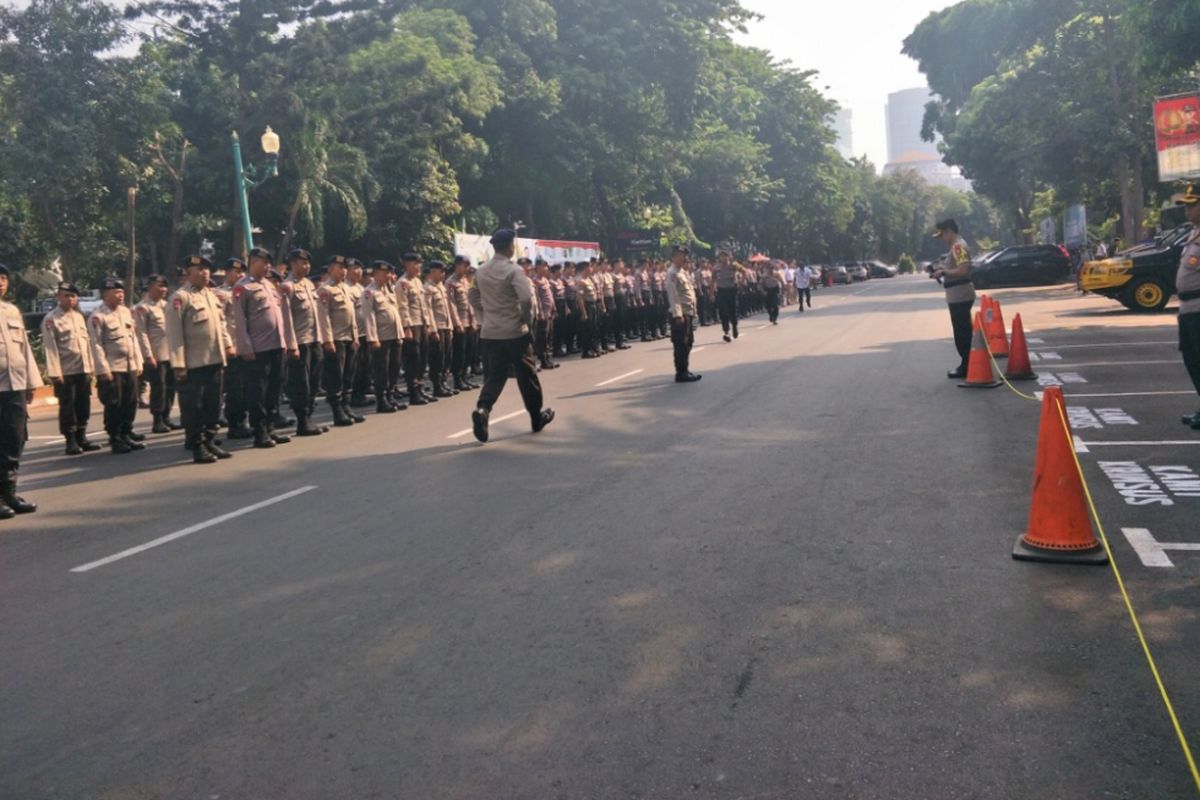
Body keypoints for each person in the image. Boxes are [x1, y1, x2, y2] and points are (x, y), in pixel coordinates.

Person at [468, 229, 555, 443]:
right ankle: (536, 417)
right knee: (527, 375)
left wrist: (484, 316)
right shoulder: (514, 271)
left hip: (490, 333)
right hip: (514, 332)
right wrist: (526, 321)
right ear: (509, 247)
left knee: (495, 375)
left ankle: (483, 409)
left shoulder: (481, 271)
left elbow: (472, 295)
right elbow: (526, 299)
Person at [166, 255, 235, 464]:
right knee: (193, 407)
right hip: (193, 364)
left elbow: (220, 325)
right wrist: (179, 365)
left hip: (214, 359)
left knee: (213, 404)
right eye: (199, 269)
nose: (204, 272)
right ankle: (197, 445)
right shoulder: (180, 298)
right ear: (188, 272)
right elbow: (174, 333)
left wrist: (228, 345)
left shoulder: (211, 296)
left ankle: (210, 440)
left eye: (207, 269)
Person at [232, 247, 298, 448]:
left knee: (274, 389)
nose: (268, 266)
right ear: (252, 262)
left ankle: (270, 427)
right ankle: (260, 431)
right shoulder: (242, 288)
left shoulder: (270, 286)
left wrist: (286, 342)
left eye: (269, 263)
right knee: (257, 392)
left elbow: (280, 317)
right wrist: (246, 348)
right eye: (264, 262)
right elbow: (239, 321)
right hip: (257, 350)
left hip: (276, 346)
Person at [0, 263, 42, 517]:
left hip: (14, 386)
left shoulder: (12, 311)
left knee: (14, 440)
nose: (0, 282)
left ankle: (9, 493)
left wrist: (30, 382)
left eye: (3, 278)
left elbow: (25, 349)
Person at [42, 281, 101, 455]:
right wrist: (55, 373)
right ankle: (71, 441)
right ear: (58, 297)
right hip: (65, 371)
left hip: (82, 369)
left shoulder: (78, 317)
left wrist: (91, 367)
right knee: (68, 408)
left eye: (73, 296)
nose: (70, 299)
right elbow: (50, 347)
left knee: (83, 405)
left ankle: (82, 437)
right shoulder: (51, 319)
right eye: (66, 295)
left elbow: (86, 344)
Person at [88, 277, 145, 454]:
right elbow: (96, 345)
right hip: (113, 368)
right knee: (115, 404)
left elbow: (133, 339)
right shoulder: (98, 317)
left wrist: (138, 361)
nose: (120, 295)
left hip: (129, 366)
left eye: (122, 292)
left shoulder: (126, 312)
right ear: (105, 294)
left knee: (130, 401)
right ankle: (115, 437)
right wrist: (103, 369)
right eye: (116, 292)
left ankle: (126, 433)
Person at [278, 248, 328, 437]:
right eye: (302, 263)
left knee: (314, 382)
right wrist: (291, 345)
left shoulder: (309, 284)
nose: (306, 266)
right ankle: (302, 420)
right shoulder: (287, 287)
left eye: (308, 263)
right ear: (292, 264)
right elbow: (286, 318)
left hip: (314, 339)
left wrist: (322, 338)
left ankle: (310, 417)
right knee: (301, 383)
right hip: (299, 342)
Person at [316, 255, 365, 426]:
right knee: (335, 376)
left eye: (345, 267)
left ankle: (346, 406)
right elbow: (324, 318)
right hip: (336, 339)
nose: (343, 270)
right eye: (339, 267)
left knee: (348, 375)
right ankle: (337, 410)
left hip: (349, 338)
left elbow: (352, 316)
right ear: (330, 269)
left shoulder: (345, 288)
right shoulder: (325, 290)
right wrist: (328, 340)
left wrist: (356, 336)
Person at [931, 219, 976, 379]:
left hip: (960, 294)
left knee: (962, 332)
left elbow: (963, 269)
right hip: (958, 294)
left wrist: (944, 272)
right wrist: (943, 269)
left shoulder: (958, 246)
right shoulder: (956, 246)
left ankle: (966, 365)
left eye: (942, 234)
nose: (942, 239)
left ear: (949, 231)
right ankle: (968, 363)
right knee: (963, 330)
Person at [134, 274, 179, 433]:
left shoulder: (167, 305)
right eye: (160, 286)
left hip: (170, 354)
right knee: (159, 387)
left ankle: (167, 417)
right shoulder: (143, 307)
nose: (163, 290)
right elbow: (142, 333)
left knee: (170, 387)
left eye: (165, 286)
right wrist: (148, 355)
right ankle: (157, 419)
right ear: (151, 286)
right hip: (156, 354)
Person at [215, 257, 251, 438]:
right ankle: (234, 424)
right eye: (236, 271)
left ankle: (242, 421)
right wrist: (229, 345)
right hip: (232, 348)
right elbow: (220, 323)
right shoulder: (219, 294)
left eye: (242, 272)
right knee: (235, 389)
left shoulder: (245, 291)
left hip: (246, 346)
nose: (240, 275)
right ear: (227, 272)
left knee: (245, 387)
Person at [363, 260, 406, 412]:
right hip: (381, 337)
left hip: (395, 335)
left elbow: (396, 312)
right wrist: (373, 338)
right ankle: (381, 400)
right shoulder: (369, 292)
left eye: (389, 273)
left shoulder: (389, 290)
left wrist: (400, 333)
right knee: (381, 370)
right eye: (384, 273)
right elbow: (369, 316)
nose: (387, 276)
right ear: (375, 274)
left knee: (394, 367)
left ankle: (390, 396)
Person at [1173, 186, 1200, 431]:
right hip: (1188, 309)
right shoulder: (1194, 234)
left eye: (1192, 205)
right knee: (1192, 359)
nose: (1187, 210)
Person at [398, 253, 435, 405]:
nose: (419, 266)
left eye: (420, 263)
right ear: (407, 265)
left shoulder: (418, 282)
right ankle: (413, 391)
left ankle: (420, 387)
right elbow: (403, 306)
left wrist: (427, 323)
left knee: (422, 357)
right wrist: (407, 327)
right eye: (415, 263)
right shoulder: (402, 283)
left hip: (421, 323)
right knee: (413, 358)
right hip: (412, 325)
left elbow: (424, 305)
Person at [666, 246, 702, 383]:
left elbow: (690, 293)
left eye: (685, 255)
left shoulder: (682, 272)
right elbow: (673, 295)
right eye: (681, 255)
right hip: (680, 314)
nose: (684, 258)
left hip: (688, 312)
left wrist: (694, 310)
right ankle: (681, 373)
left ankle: (685, 370)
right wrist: (677, 315)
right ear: (674, 257)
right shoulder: (672, 273)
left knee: (688, 342)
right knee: (681, 343)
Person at [423, 260, 458, 398]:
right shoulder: (428, 288)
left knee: (446, 356)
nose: (443, 274)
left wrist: (450, 326)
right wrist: (433, 329)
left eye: (444, 271)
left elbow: (447, 308)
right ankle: (437, 385)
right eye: (441, 271)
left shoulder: (442, 287)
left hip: (446, 326)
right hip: (437, 327)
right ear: (432, 272)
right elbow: (428, 310)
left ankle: (443, 382)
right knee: (437, 357)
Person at [447, 256, 479, 391]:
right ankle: (457, 379)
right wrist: (457, 323)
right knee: (459, 352)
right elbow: (451, 304)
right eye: (464, 266)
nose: (466, 269)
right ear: (458, 265)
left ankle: (465, 377)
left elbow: (470, 301)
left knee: (468, 351)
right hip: (460, 322)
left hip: (469, 321)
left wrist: (474, 320)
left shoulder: (466, 281)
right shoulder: (450, 282)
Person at [532, 258, 559, 369]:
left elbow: (550, 296)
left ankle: (547, 358)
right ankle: (543, 360)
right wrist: (541, 313)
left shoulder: (546, 280)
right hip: (543, 314)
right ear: (538, 267)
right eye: (544, 266)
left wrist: (554, 308)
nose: (546, 268)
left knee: (548, 337)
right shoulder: (535, 281)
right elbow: (537, 298)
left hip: (549, 313)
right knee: (542, 338)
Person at [713, 251, 740, 342]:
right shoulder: (716, 268)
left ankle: (734, 326)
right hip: (721, 291)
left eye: (725, 256)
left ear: (728, 257)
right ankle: (726, 332)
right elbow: (713, 281)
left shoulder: (734, 266)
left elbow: (745, 271)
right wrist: (712, 293)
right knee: (723, 312)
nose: (723, 258)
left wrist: (739, 282)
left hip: (731, 290)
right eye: (721, 256)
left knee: (733, 310)